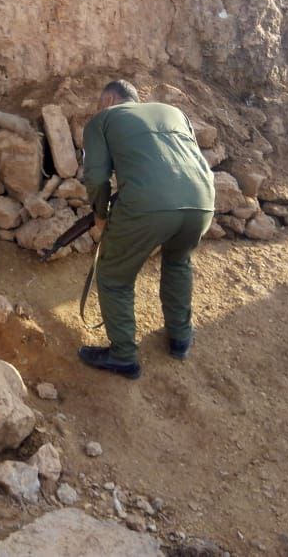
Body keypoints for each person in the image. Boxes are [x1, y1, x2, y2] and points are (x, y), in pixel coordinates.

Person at [79, 80, 215, 379]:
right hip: (202, 201)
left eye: (100, 104)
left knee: (114, 276)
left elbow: (96, 177)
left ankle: (123, 356)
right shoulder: (174, 112)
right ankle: (180, 338)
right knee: (178, 262)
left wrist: (100, 216)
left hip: (149, 205)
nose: (98, 109)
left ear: (110, 99)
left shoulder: (103, 119)